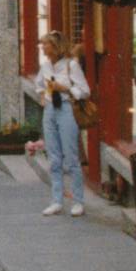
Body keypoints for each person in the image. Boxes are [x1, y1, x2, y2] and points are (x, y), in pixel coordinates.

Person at [37, 31, 89, 217]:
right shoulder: (45, 66)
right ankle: (56, 200)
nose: (43, 47)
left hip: (66, 108)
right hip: (50, 109)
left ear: (56, 46)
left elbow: (84, 91)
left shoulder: (71, 65)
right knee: (54, 157)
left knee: (71, 156)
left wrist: (65, 88)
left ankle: (78, 201)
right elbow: (39, 85)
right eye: (42, 44)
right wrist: (43, 95)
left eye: (46, 44)